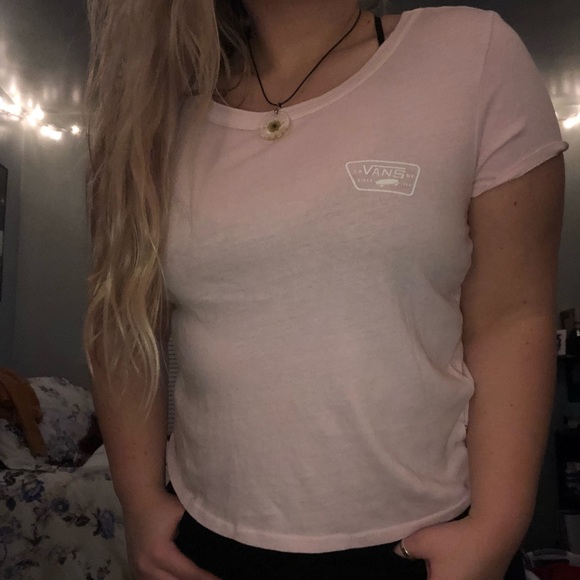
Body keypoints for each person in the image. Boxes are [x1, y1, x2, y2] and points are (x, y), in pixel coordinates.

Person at [83, 0, 568, 578]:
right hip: (207, 546)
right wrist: (140, 501)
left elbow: (511, 316)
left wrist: (497, 528)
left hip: (420, 545)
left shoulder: (471, 53)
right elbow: (122, 320)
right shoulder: (160, 107)